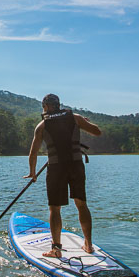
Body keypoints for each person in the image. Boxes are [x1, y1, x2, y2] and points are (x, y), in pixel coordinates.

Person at [26, 93, 102, 258]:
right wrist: (86, 122)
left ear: (46, 107)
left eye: (43, 107)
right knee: (81, 204)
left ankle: (56, 249)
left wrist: (32, 173)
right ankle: (88, 245)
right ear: (58, 105)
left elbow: (33, 153)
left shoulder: (42, 125)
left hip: (56, 168)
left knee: (55, 208)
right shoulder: (75, 118)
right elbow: (97, 132)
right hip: (76, 166)